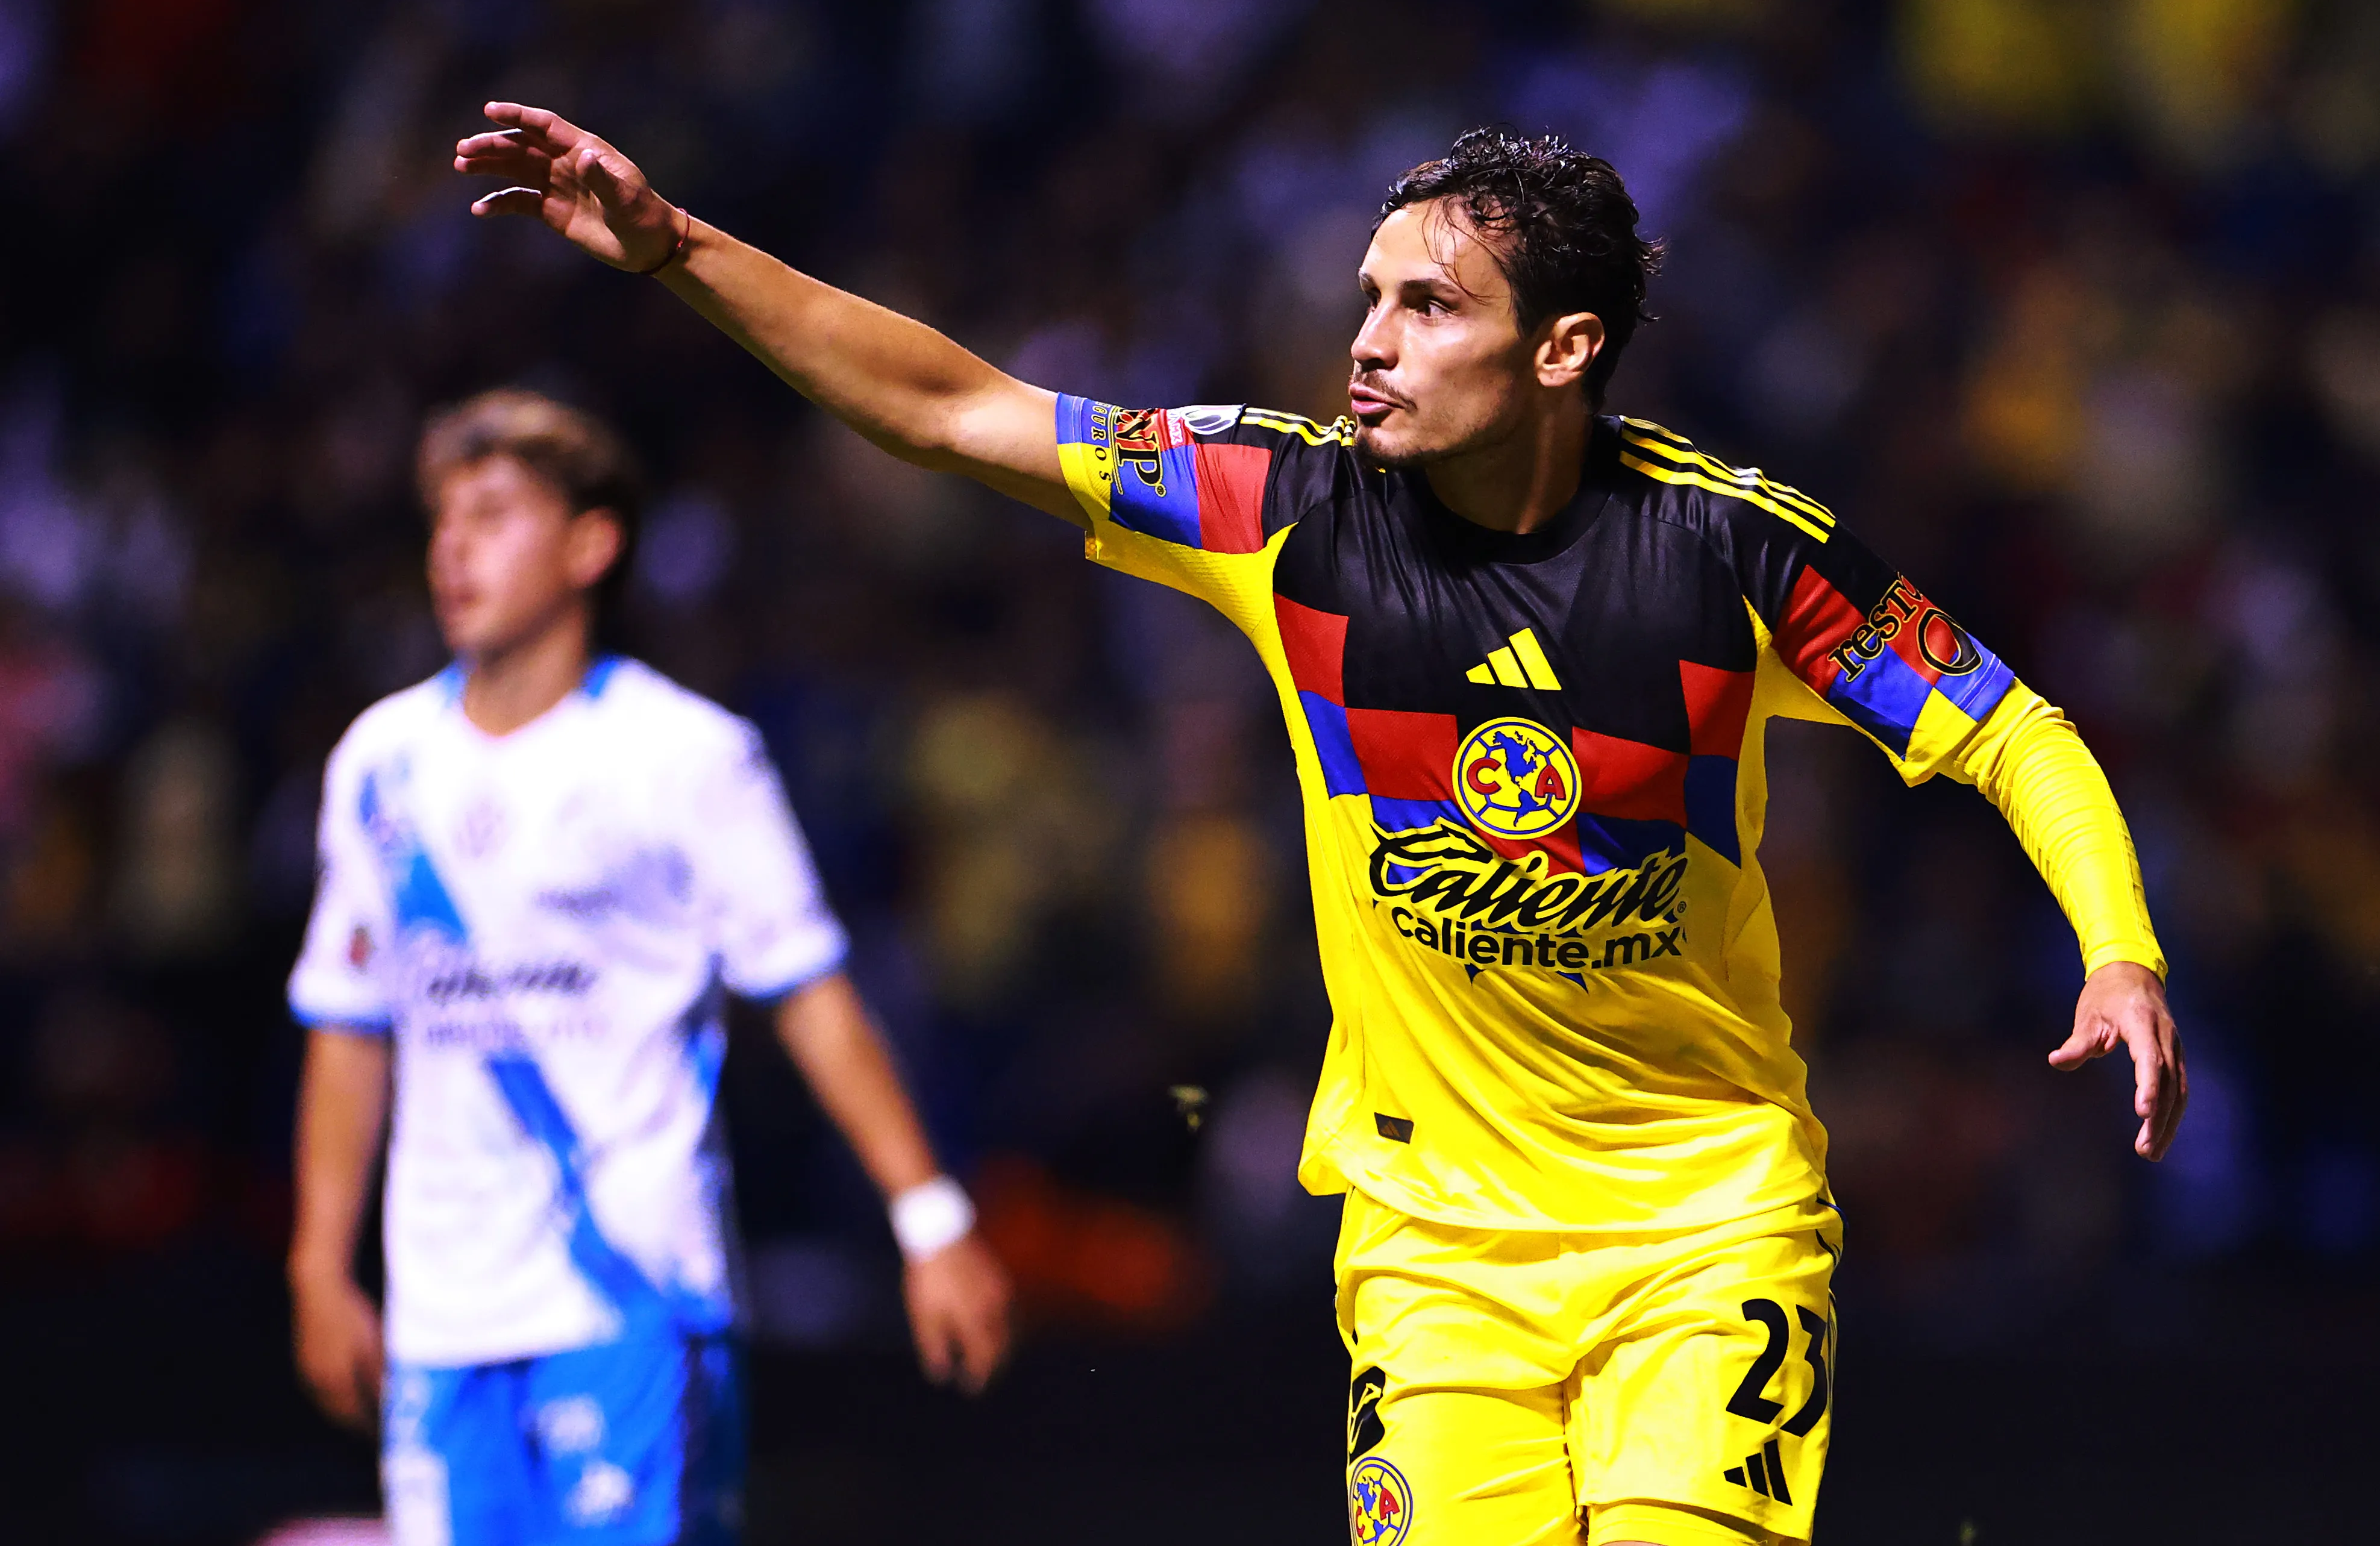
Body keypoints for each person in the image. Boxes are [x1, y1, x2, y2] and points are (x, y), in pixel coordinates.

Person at [452, 108, 2187, 1546]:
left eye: (1429, 307)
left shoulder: (1734, 553)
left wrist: (2118, 946)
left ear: (1564, 346)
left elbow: (2013, 732)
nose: (1365, 339)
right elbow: (954, 406)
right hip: (1430, 1251)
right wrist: (681, 243)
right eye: (1367, 296)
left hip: (1705, 1227)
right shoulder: (1278, 507)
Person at [286, 389, 1012, 1546]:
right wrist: (320, 1263)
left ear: (591, 543)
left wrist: (929, 1220)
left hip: (631, 1300)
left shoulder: (687, 758)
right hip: (442, 1314)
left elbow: (813, 998)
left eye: (492, 514)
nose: (452, 548)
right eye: (441, 520)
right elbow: (349, 1024)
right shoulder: (383, 762)